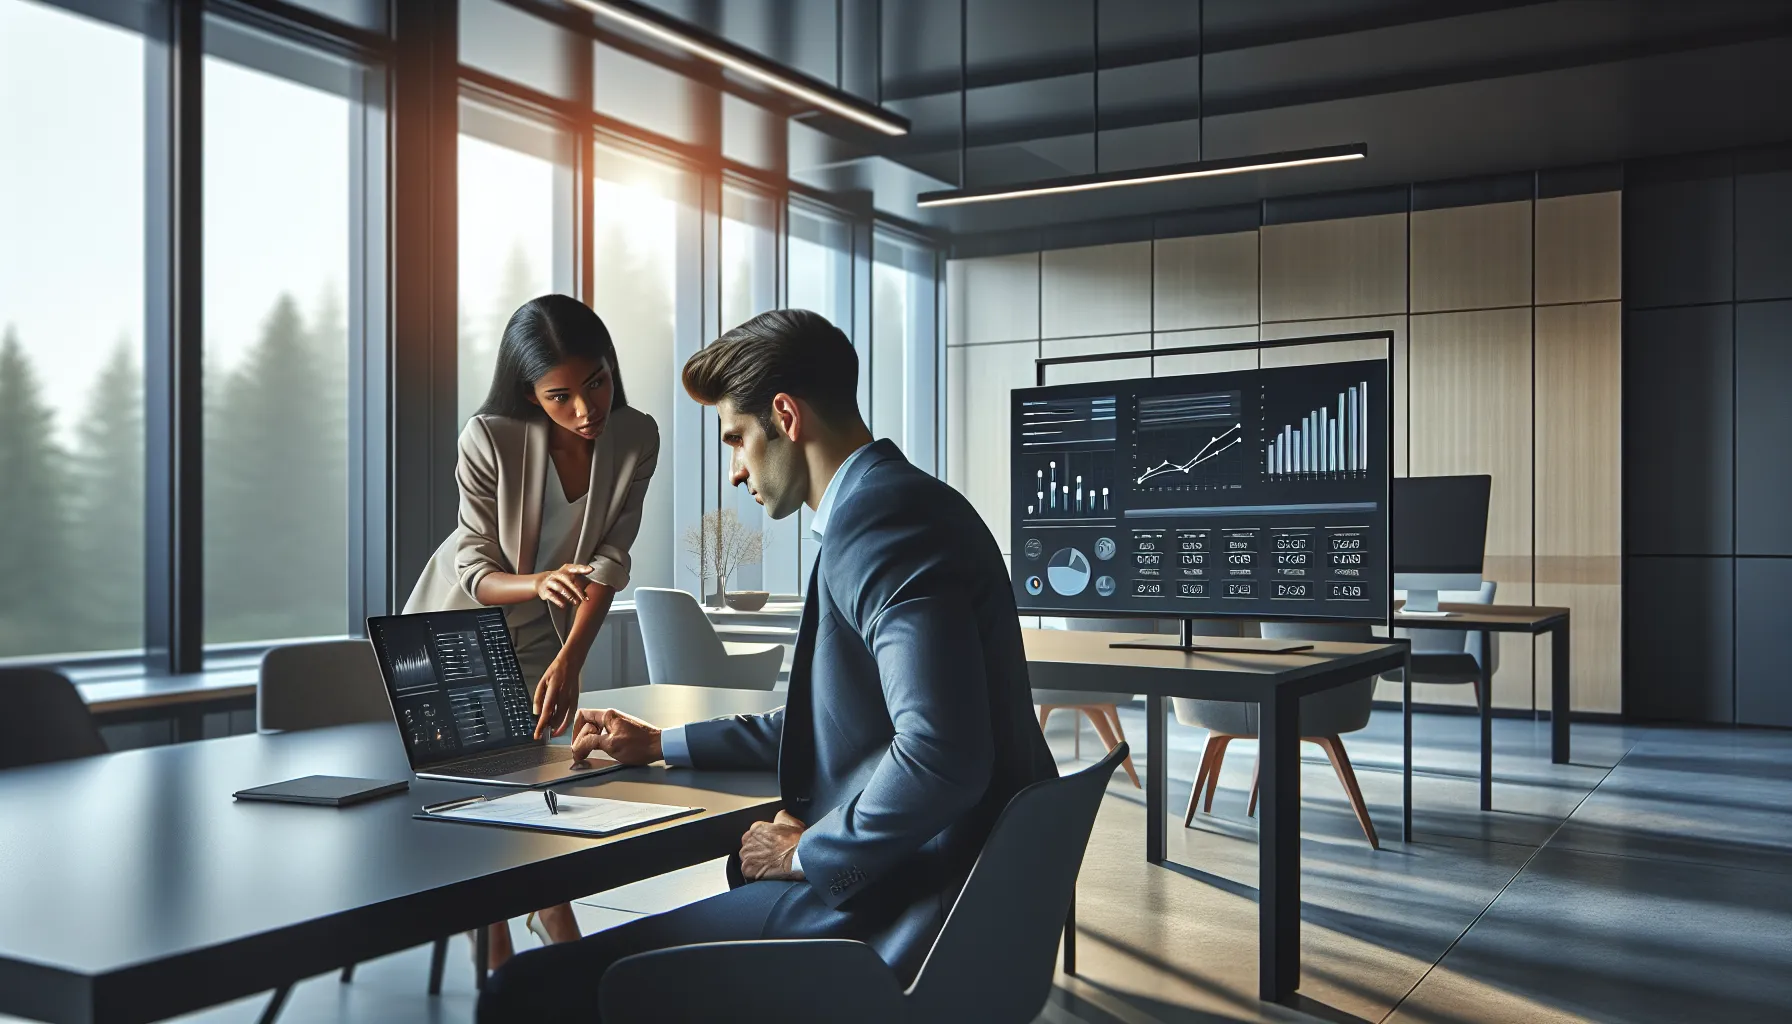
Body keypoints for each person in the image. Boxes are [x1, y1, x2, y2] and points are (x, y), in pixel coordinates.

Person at [477, 308, 1055, 1021]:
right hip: (963, 903)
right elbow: (832, 722)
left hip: (903, 921)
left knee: (522, 990)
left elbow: (943, 757)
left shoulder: (882, 525)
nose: (734, 471)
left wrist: (808, 852)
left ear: (785, 416)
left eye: (736, 439)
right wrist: (659, 742)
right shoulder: (906, 504)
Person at [405, 294, 658, 971]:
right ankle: (507, 941)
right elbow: (475, 569)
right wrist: (540, 581)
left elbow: (610, 560)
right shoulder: (489, 438)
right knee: (480, 787)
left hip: (548, 629)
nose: (586, 409)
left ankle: (542, 918)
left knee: (540, 775)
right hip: (457, 625)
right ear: (529, 394)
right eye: (560, 396)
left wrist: (573, 657)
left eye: (597, 383)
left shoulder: (637, 436)